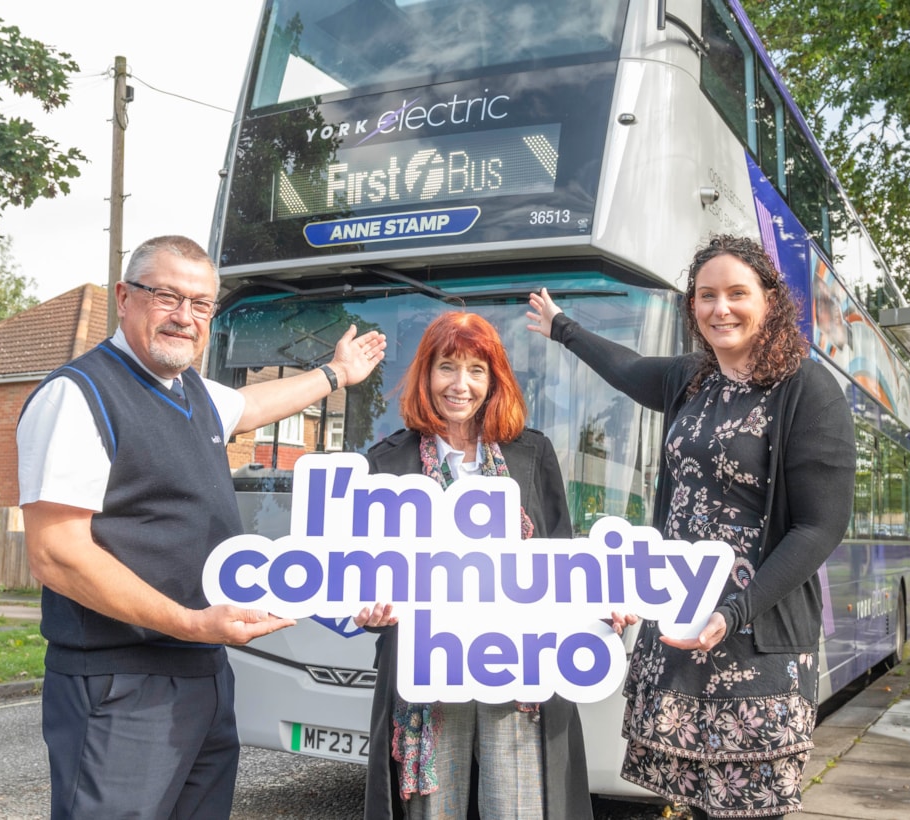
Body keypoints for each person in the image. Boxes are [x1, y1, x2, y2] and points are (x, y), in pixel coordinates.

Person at [16, 235, 386, 819]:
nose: (184, 318)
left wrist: (335, 374)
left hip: (204, 673)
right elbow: (57, 554)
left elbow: (254, 405)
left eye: (201, 304)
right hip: (123, 684)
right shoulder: (78, 395)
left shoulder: (190, 392)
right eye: (166, 296)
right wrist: (190, 622)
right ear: (124, 297)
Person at [526, 235, 856, 819]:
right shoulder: (691, 378)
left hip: (756, 638)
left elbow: (818, 527)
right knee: (691, 805)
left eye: (737, 293)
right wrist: (561, 326)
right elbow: (625, 367)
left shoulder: (807, 389)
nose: (720, 308)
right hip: (679, 629)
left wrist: (732, 612)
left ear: (771, 301)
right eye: (706, 295)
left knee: (747, 809)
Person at [353, 311, 596, 820]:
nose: (460, 385)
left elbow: (562, 559)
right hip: (425, 680)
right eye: (447, 367)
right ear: (426, 374)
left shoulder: (532, 454)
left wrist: (598, 612)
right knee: (430, 813)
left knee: (519, 807)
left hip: (516, 671)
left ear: (495, 380)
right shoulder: (386, 464)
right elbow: (361, 572)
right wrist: (364, 609)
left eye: (476, 370)